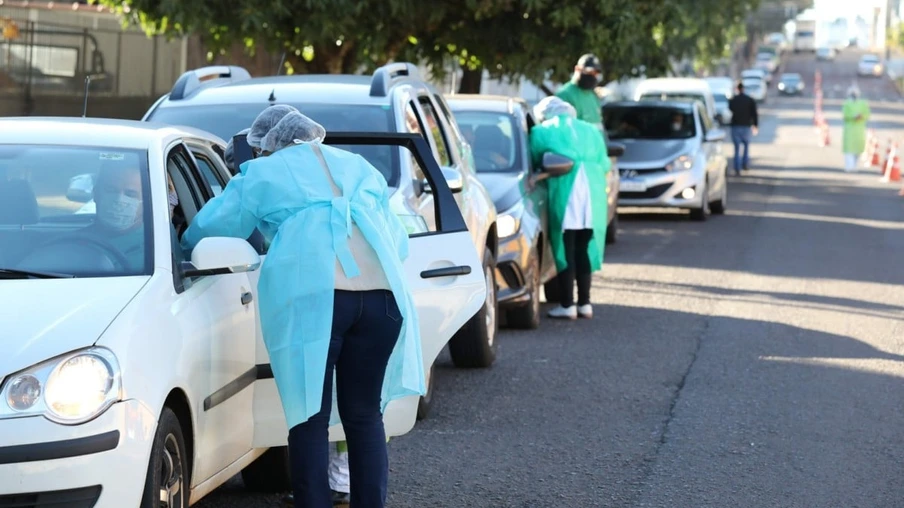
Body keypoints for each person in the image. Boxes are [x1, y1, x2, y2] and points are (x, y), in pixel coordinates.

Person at [180, 110, 424, 508]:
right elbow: (398, 241)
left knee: (308, 417)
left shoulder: (263, 173)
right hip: (383, 298)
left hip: (316, 301)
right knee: (365, 416)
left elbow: (210, 230)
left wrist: (182, 245)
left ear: (264, 145)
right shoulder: (357, 165)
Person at [529, 96, 610, 320]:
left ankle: (567, 304)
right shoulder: (591, 130)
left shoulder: (542, 130)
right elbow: (605, 163)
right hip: (593, 192)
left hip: (567, 190)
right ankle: (585, 303)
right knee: (584, 245)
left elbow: (536, 159)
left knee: (566, 246)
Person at [555, 53, 604, 130]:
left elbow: (600, 126)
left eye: (595, 73)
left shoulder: (593, 95)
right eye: (589, 71)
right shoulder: (564, 94)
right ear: (577, 69)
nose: (592, 75)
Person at [728, 81, 759, 175]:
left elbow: (730, 108)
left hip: (736, 126)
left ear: (737, 89)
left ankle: (737, 167)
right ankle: (745, 164)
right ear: (743, 89)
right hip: (746, 126)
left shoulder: (734, 100)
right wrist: (755, 125)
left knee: (737, 148)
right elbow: (754, 114)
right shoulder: (749, 100)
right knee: (746, 146)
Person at [842, 86, 870, 172]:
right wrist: (853, 117)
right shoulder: (847, 104)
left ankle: (854, 165)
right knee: (849, 150)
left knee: (858, 149)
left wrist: (861, 117)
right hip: (849, 130)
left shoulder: (863, 104)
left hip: (859, 130)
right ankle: (849, 166)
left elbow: (867, 114)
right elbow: (845, 115)